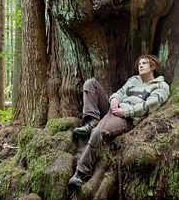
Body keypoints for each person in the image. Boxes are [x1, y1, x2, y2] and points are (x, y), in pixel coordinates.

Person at [68, 55, 169, 189]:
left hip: (125, 118)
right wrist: (115, 98)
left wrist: (125, 112)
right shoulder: (133, 80)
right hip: (114, 108)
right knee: (90, 83)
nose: (141, 65)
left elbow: (150, 106)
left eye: (144, 63)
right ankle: (92, 120)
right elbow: (120, 93)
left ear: (153, 67)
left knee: (98, 132)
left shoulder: (161, 86)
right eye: (139, 64)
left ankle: (81, 172)